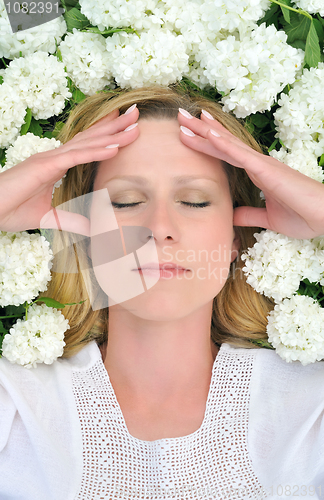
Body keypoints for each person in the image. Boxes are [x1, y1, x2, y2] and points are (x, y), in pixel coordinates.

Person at [0, 85, 324, 500]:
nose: (158, 227)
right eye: (125, 201)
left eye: (194, 201)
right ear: (84, 235)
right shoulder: (19, 412)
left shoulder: (307, 412)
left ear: (235, 241)